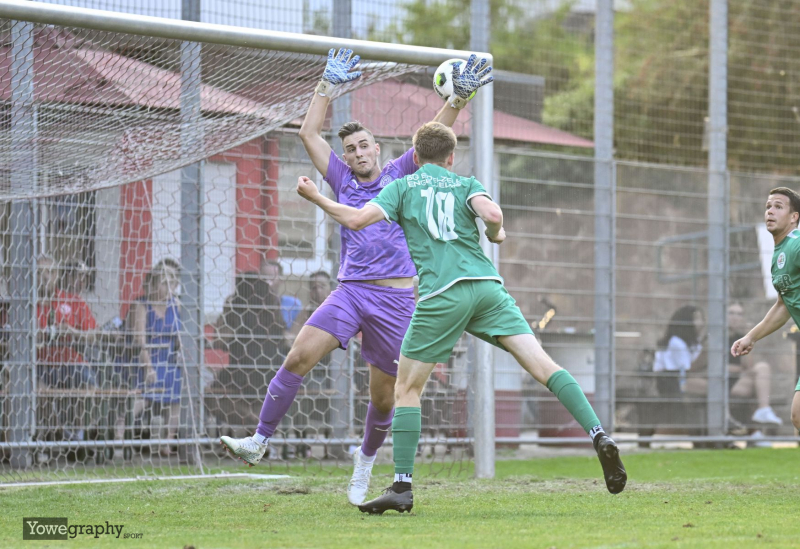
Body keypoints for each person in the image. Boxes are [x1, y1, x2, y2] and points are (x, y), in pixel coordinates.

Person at [296, 121, 626, 514]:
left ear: (415, 158)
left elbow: (354, 220)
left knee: (406, 389)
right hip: (487, 289)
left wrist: (317, 196)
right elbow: (493, 212)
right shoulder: (465, 183)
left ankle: (401, 487)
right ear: (451, 158)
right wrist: (496, 233)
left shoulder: (401, 187)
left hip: (442, 296)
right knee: (543, 366)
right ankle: (598, 434)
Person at [220, 48, 492, 506]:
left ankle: (365, 462)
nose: (358, 152)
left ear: (379, 150)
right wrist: (326, 86)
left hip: (397, 301)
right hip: (350, 293)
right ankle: (259, 440)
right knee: (298, 357)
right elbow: (308, 132)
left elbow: (435, 135)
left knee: (385, 399)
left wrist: (459, 99)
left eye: (364, 144)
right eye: (350, 148)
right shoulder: (342, 179)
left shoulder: (402, 173)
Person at [732, 186, 800, 430]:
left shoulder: (796, 244)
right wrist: (751, 336)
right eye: (768, 206)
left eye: (778, 207)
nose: (770, 211)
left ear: (794, 217)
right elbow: (783, 306)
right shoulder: (779, 255)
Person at [35, 255, 98, 451]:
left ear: (57, 275)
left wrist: (73, 332)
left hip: (72, 363)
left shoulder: (72, 300)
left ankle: (76, 438)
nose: (46, 277)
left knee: (87, 386)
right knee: (38, 390)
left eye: (51, 272)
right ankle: (57, 435)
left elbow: (93, 334)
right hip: (40, 365)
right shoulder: (26, 304)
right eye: (40, 273)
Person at [131, 261, 182, 457]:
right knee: (141, 397)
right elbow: (139, 341)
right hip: (147, 362)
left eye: (173, 282)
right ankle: (122, 435)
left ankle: (168, 441)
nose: (170, 287)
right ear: (153, 285)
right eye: (164, 282)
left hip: (169, 362)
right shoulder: (141, 306)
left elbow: (181, 337)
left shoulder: (176, 305)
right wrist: (148, 367)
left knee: (177, 391)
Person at [727, 302, 782, 426]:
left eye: (739, 314)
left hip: (739, 380)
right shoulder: (716, 336)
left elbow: (748, 366)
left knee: (762, 368)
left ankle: (762, 413)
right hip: (723, 383)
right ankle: (755, 430)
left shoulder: (741, 336)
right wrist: (738, 369)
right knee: (759, 382)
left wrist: (749, 336)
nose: (735, 317)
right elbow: (713, 365)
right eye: (731, 313)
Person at [652, 305, 705, 397]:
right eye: (696, 319)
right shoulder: (676, 342)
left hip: (681, 379)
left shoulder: (693, 342)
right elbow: (686, 368)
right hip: (672, 382)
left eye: (701, 319)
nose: (701, 323)